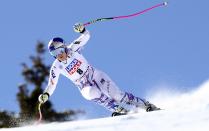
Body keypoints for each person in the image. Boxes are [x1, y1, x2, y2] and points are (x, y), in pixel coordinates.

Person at [38, 23, 159, 116]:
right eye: (54, 54)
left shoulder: (73, 48)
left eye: (59, 51)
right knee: (91, 93)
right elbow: (52, 84)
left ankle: (145, 105)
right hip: (83, 85)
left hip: (95, 75)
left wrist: (82, 29)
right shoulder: (56, 66)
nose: (58, 55)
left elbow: (86, 36)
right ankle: (116, 108)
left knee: (117, 95)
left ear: (64, 47)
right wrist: (46, 94)